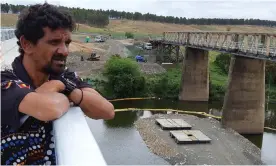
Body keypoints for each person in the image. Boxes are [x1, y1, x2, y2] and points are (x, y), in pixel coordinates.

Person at [1, 3, 114, 165]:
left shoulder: (63, 77)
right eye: (54, 42)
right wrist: (65, 90)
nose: (65, 51)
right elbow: (51, 108)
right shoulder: (5, 81)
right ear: (26, 44)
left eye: (67, 43)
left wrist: (65, 87)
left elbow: (107, 111)